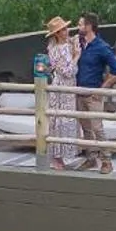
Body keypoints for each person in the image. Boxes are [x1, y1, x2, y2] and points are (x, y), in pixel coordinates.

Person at [74, 12, 116, 173]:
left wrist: (102, 89)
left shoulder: (102, 47)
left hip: (93, 94)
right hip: (79, 92)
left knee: (97, 128)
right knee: (86, 128)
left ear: (88, 26)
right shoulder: (79, 45)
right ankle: (91, 158)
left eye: (80, 24)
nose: (78, 27)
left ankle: (107, 161)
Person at [43, 15, 83, 170]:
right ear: (56, 34)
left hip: (70, 86)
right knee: (58, 121)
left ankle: (63, 155)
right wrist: (76, 56)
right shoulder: (53, 50)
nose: (66, 32)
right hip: (61, 86)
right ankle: (55, 157)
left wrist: (74, 51)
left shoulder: (68, 45)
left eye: (66, 29)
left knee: (67, 120)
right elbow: (67, 71)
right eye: (62, 30)